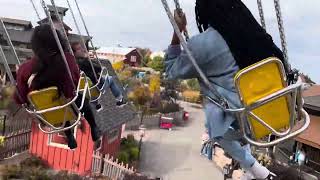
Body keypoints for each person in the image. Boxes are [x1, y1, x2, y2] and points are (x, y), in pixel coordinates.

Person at [164, 0, 282, 178]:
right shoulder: (253, 30)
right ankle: (249, 163)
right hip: (274, 108)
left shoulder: (202, 45)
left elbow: (171, 69)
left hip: (243, 118)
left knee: (214, 113)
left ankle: (254, 167)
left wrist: (177, 30)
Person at [13, 24, 101, 150]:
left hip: (45, 114)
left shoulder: (25, 69)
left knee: (56, 104)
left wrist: (19, 79)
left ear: (35, 44)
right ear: (57, 41)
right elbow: (74, 84)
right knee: (77, 99)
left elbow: (19, 98)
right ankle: (93, 127)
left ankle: (69, 135)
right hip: (70, 108)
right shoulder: (68, 60)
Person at [71, 42, 127, 108]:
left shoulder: (73, 62)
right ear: (74, 52)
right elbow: (99, 68)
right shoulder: (84, 62)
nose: (83, 50)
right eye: (79, 49)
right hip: (97, 85)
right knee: (110, 79)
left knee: (91, 84)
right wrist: (88, 58)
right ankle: (120, 100)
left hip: (84, 90)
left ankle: (96, 104)